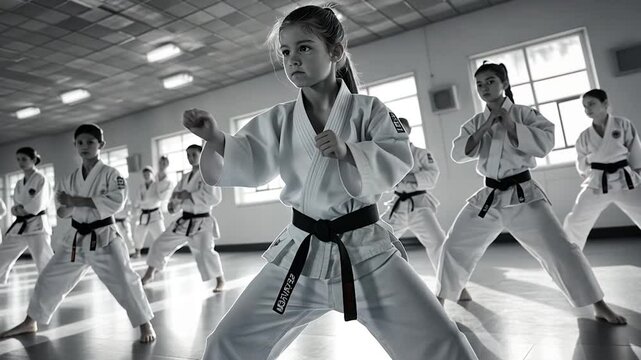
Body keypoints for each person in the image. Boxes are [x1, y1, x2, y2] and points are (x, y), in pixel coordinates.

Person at [185, 5, 478, 359]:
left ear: (335, 53)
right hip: (301, 254)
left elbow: (398, 154)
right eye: (286, 51)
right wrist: (216, 138)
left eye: (304, 47)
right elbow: (248, 157)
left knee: (444, 345)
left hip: (367, 254)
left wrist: (349, 152)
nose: (293, 59)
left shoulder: (369, 110)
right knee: (226, 343)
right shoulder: (281, 118)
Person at [435, 63, 627, 325]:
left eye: (491, 81)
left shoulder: (526, 114)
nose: (484, 88)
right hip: (489, 196)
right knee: (453, 244)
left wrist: (511, 125)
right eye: (479, 84)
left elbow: (545, 144)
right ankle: (439, 301)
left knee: (561, 249)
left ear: (504, 83)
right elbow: (458, 153)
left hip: (523, 195)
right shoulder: (476, 122)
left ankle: (598, 304)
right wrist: (487, 125)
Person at [0, 124, 156, 343]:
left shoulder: (112, 175)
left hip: (103, 236)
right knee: (48, 277)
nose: (85, 146)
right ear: (75, 145)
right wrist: (68, 204)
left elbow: (117, 202)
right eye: (80, 143)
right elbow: (63, 211)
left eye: (90, 142)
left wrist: (76, 201)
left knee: (124, 279)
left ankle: (145, 323)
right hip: (75, 239)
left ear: (101, 145)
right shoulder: (70, 178)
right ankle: (31, 321)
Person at [140, 145, 225, 293]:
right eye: (188, 155)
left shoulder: (209, 173)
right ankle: (149, 274)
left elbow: (214, 197)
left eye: (193, 154)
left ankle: (220, 281)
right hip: (184, 221)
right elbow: (176, 195)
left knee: (206, 251)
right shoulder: (185, 177)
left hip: (202, 221)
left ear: (202, 154)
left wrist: (190, 195)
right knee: (159, 243)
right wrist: (173, 205)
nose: (190, 158)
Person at [563, 89, 641, 249]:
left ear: (605, 103)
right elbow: (581, 164)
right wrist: (592, 163)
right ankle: (570, 256)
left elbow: (635, 151)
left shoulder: (622, 124)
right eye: (584, 106)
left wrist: (637, 173)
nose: (587, 109)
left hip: (626, 181)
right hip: (598, 182)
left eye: (591, 103)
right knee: (575, 221)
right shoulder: (584, 137)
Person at [0, 147, 53, 284]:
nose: (20, 162)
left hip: (37, 225)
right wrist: (16, 210)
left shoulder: (41, 179)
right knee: (4, 253)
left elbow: (38, 204)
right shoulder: (19, 183)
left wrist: (23, 210)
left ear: (34, 160)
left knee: (43, 259)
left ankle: (52, 285)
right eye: (18, 159)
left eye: (24, 159)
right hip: (20, 226)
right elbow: (16, 204)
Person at [131, 159, 173, 258]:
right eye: (144, 174)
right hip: (144, 214)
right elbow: (137, 201)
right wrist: (136, 209)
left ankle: (164, 253)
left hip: (154, 214)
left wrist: (163, 169)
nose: (146, 176)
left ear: (152, 174)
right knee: (138, 234)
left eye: (148, 174)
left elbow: (162, 195)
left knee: (159, 234)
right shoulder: (141, 187)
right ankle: (137, 252)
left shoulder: (157, 185)